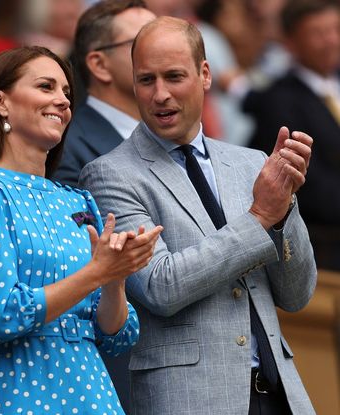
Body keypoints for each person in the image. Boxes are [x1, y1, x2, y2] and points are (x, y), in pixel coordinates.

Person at [80, 16, 317, 415]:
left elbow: (297, 296)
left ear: (205, 74)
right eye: (146, 80)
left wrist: (283, 211)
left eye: (174, 76)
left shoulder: (251, 162)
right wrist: (260, 217)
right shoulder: (109, 174)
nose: (160, 95)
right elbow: (160, 286)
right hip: (190, 399)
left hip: (281, 396)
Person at [0, 46, 163, 414]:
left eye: (67, 94)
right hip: (22, 393)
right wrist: (96, 272)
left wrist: (115, 277)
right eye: (46, 87)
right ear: (0, 102)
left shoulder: (78, 200)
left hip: (94, 393)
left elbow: (116, 336)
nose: (62, 101)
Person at [244, 0, 340, 271]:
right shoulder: (279, 101)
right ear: (291, 43)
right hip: (321, 250)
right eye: (318, 33)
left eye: (335, 29)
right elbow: (305, 183)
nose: (331, 40)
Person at [53, 0, 155, 187]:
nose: (162, 50)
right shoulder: (64, 149)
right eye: (143, 41)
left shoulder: (175, 135)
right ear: (99, 65)